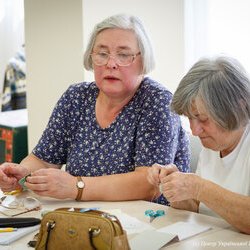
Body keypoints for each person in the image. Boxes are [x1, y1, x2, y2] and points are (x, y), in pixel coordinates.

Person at [0, 14, 190, 204]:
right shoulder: (76, 97)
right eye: (102, 53)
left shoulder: (157, 102)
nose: (111, 63)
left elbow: (149, 184)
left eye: (123, 55)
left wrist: (76, 186)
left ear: (144, 60)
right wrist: (23, 174)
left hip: (150, 221)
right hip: (84, 217)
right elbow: (43, 159)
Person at [147, 56, 250, 234]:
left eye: (203, 119)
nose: (195, 131)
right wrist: (175, 186)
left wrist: (198, 187)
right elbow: (200, 209)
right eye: (190, 118)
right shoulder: (213, 144)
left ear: (238, 107)